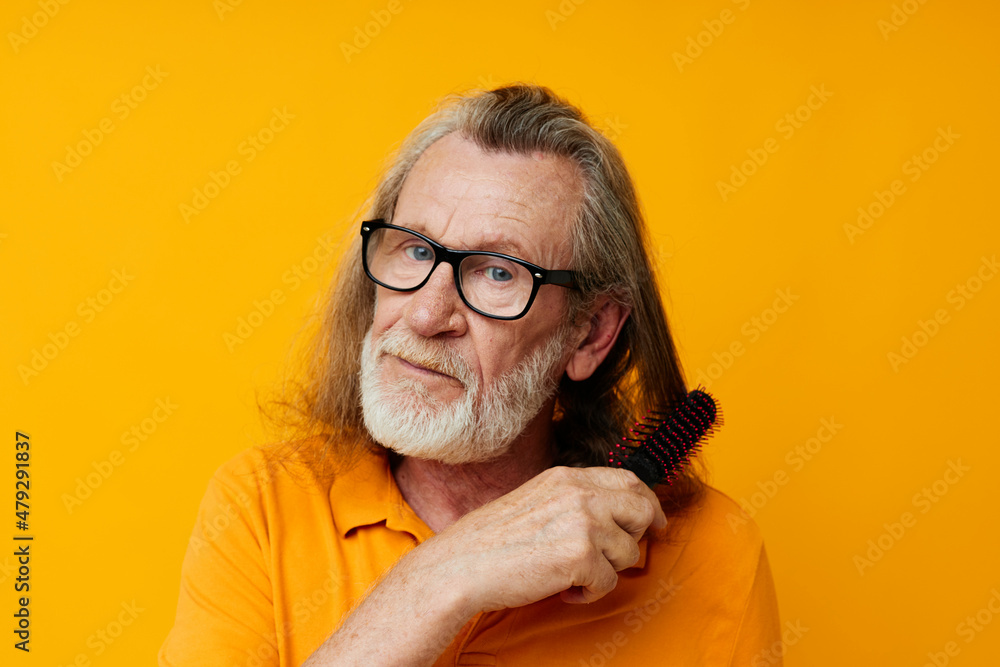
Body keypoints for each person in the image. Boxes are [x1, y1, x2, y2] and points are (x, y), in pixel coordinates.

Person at [159, 84, 782, 666]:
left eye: (499, 272)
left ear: (589, 334)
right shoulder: (263, 506)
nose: (427, 314)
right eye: (416, 250)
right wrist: (441, 579)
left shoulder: (712, 555)